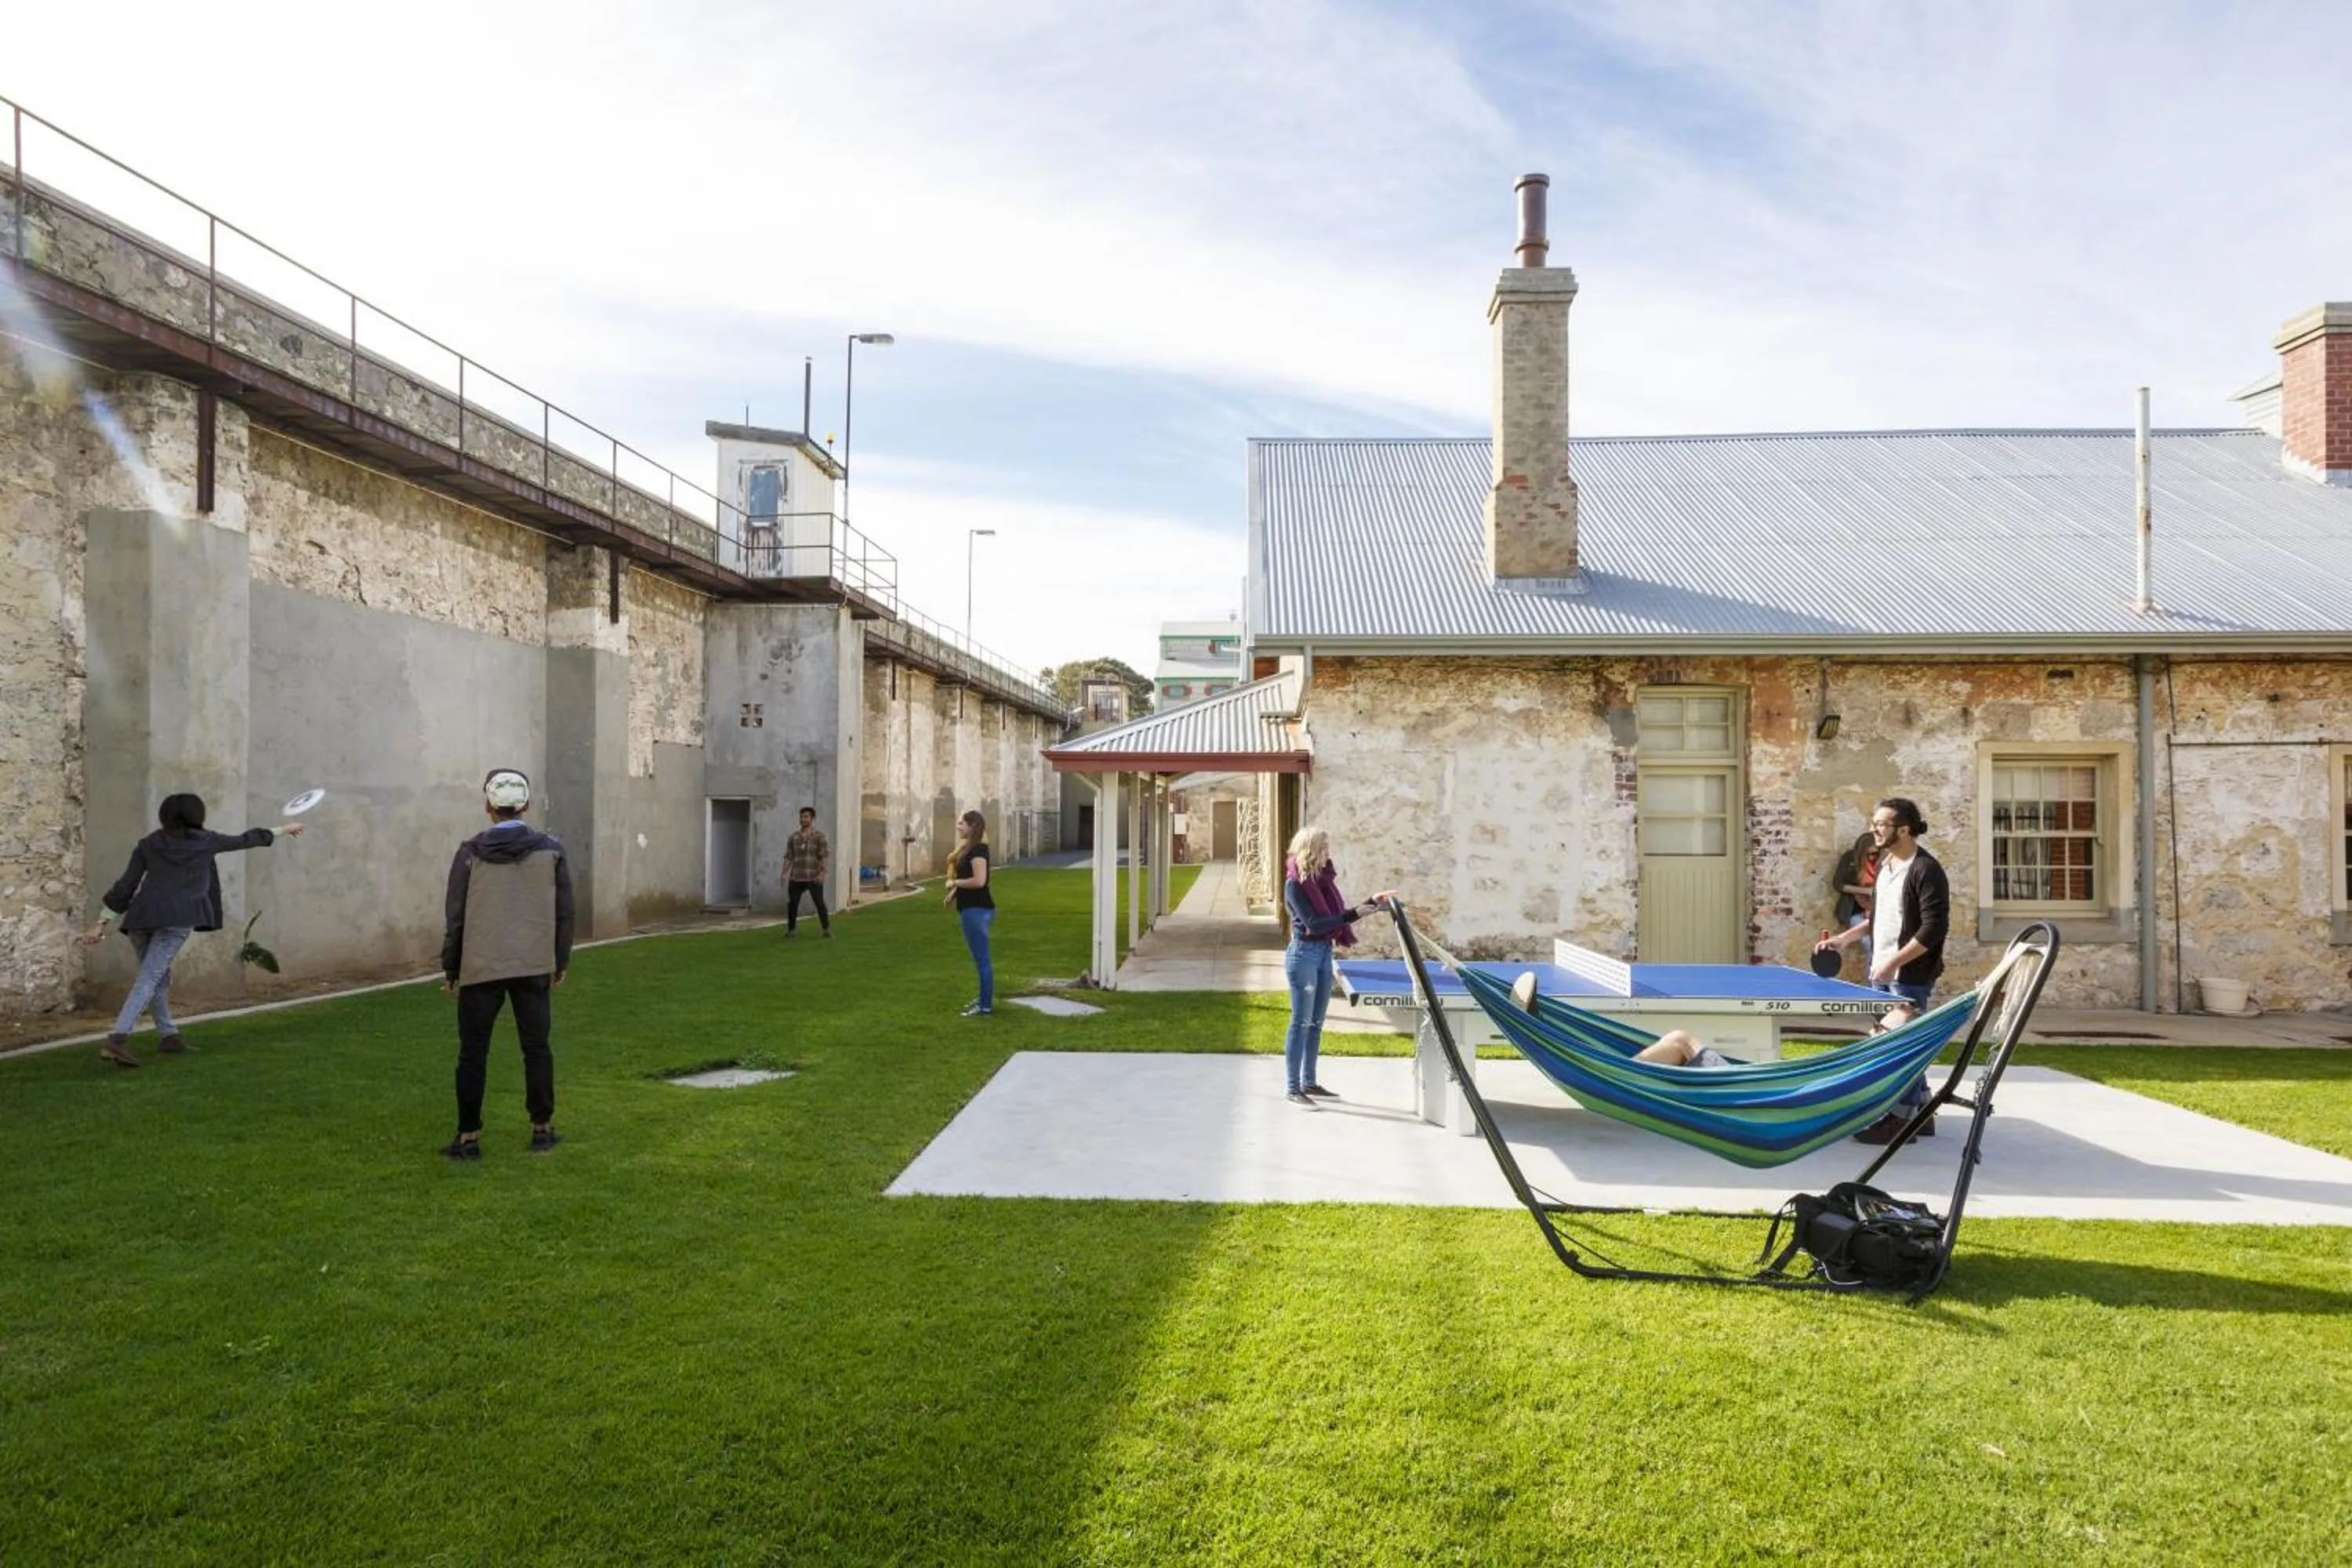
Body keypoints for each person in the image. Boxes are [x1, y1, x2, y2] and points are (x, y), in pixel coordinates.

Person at [80, 793, 305, 1068]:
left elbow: (125, 886)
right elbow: (246, 839)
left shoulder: (149, 844)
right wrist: (284, 829)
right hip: (176, 920)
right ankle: (118, 1039)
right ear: (198, 815)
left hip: (140, 918)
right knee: (150, 978)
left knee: (156, 976)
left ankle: (169, 1035)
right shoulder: (206, 841)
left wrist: (102, 921)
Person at [439, 768, 574, 1160]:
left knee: (473, 1053)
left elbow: (457, 917)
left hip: (481, 966)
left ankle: (467, 1138)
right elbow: (565, 913)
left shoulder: (469, 853)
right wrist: (559, 959)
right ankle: (542, 1129)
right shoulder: (551, 850)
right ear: (526, 805)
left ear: (488, 806)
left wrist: (452, 968)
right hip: (533, 964)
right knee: (537, 1049)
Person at [1814, 797, 1949, 1143]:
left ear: (1903, 829)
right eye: (1874, 823)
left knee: (1898, 1049)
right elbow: (1879, 918)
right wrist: (1844, 939)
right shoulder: (1888, 866)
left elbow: (1934, 929)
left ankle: (1899, 1121)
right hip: (1883, 971)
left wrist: (1894, 962)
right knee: (1898, 1043)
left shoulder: (1925, 870)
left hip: (1909, 977)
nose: (1874, 829)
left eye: (1882, 824)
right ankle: (1922, 1110)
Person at [1279, 826, 1396, 1106]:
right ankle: (1294, 1088)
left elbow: (1336, 918)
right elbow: (1315, 924)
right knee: (1301, 1022)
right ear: (1311, 849)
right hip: (1303, 956)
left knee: (1316, 1023)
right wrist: (1353, 913)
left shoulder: (1321, 883)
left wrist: (1369, 903)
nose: (1328, 854)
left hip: (1322, 954)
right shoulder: (1295, 884)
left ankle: (1310, 1082)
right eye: (1324, 848)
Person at [942, 810, 995, 1017]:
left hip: (977, 910)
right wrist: (955, 893)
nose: (958, 826)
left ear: (972, 826)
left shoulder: (978, 851)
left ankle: (985, 1006)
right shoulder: (970, 849)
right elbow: (970, 879)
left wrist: (954, 882)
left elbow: (979, 881)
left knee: (983, 960)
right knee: (979, 959)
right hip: (970, 909)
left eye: (961, 823)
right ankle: (983, 998)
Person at [784, 806, 832, 938]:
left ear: (812, 819)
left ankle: (826, 929)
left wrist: (823, 873)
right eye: (801, 817)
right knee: (793, 903)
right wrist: (784, 874)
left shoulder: (820, 837)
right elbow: (789, 856)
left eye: (806, 817)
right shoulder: (793, 837)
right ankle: (791, 930)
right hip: (796, 876)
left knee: (819, 903)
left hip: (813, 876)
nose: (803, 819)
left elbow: (824, 856)